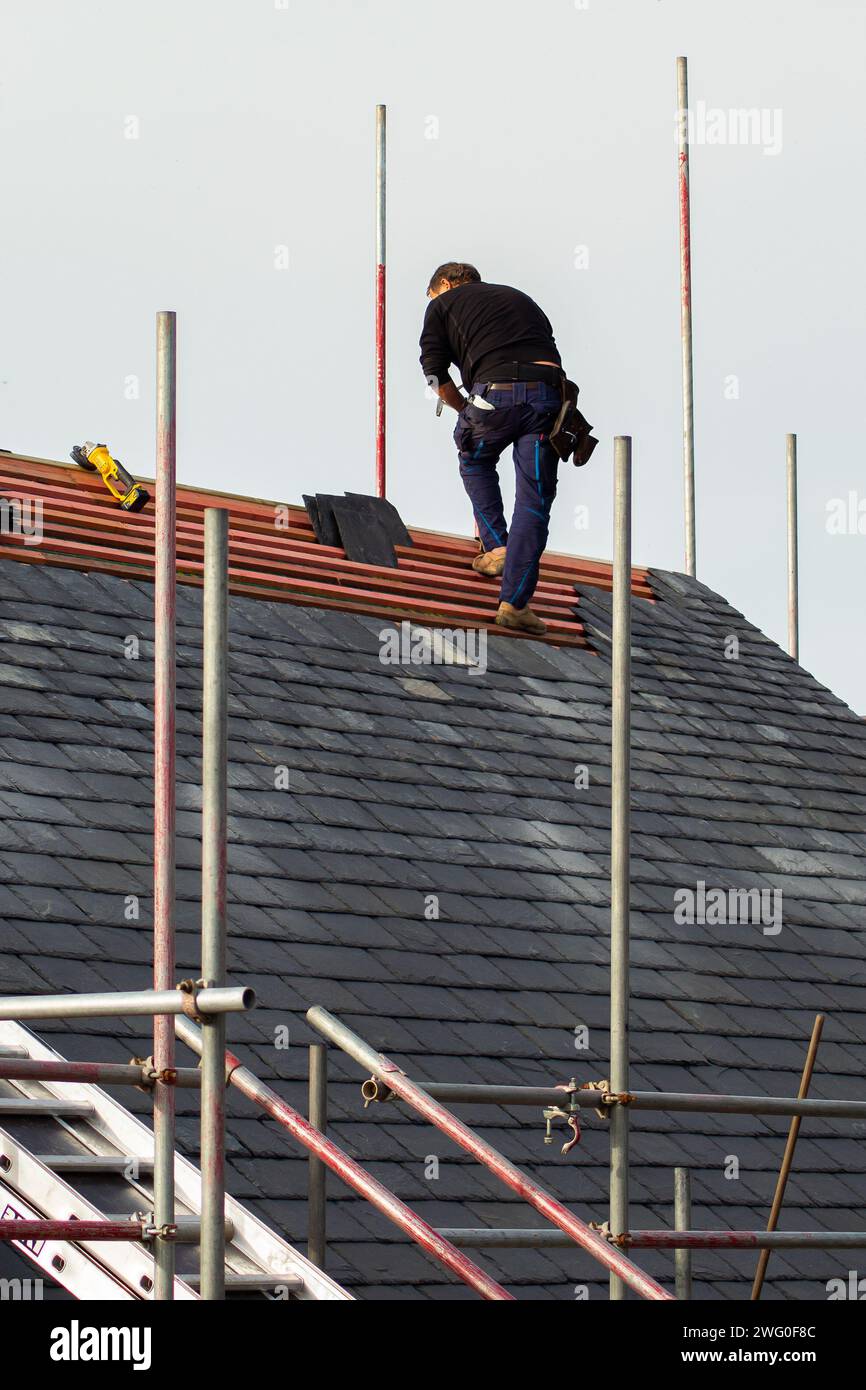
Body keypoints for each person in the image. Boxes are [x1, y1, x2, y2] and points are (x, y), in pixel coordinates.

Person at [419, 261, 567, 636]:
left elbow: (435, 372)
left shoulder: (441, 305)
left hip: (496, 397)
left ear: (446, 284)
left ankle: (497, 546)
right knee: (534, 501)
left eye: (432, 292)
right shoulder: (520, 298)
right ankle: (514, 604)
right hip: (548, 401)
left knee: (474, 458)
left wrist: (462, 408)